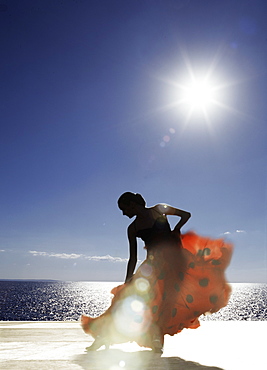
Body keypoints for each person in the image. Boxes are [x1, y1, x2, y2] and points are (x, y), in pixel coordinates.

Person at [81, 192, 233, 354]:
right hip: (152, 266)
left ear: (132, 204)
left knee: (164, 304)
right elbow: (133, 257)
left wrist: (176, 229)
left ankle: (156, 340)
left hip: (174, 264)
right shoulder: (132, 228)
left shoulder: (158, 209)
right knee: (124, 301)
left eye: (123, 208)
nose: (123, 213)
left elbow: (186, 215)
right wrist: (127, 280)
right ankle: (104, 336)